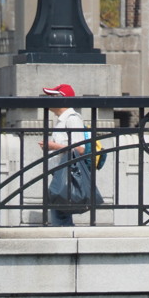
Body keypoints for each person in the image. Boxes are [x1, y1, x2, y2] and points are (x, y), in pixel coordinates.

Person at [39, 83, 91, 227]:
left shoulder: (72, 118)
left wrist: (53, 146)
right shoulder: (63, 119)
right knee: (61, 212)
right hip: (61, 172)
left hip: (68, 172)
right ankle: (67, 241)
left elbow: (80, 148)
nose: (49, 100)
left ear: (62, 99)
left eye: (52, 96)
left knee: (60, 213)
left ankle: (66, 243)